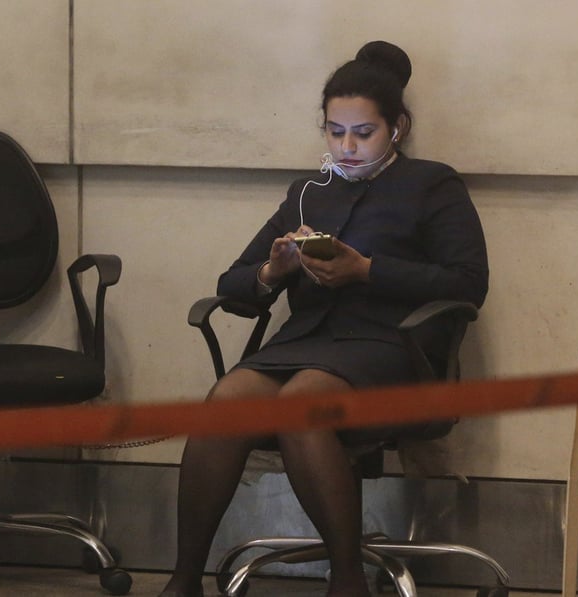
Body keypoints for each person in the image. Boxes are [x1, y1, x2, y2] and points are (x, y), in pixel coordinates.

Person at [160, 40, 489, 597]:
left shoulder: (433, 185)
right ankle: (184, 579)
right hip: (305, 342)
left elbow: (467, 284)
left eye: (364, 133)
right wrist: (275, 269)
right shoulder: (308, 193)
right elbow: (233, 285)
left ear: (397, 128)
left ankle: (347, 580)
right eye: (336, 132)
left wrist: (368, 271)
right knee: (227, 401)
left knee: (300, 403)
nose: (348, 146)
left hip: (393, 347)